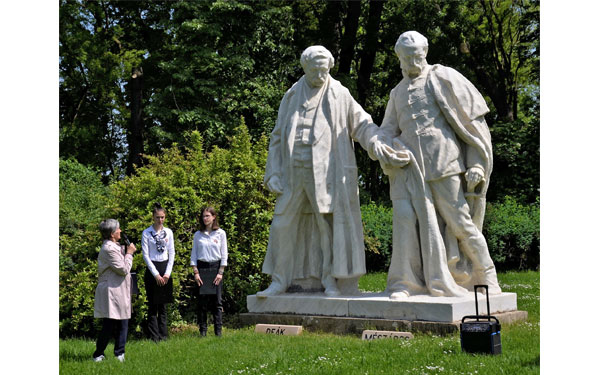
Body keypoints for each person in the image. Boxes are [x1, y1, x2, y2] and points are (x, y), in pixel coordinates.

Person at [371, 31, 501, 298]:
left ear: (425, 53)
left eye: (416, 56)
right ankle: (412, 283)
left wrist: (475, 163)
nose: (412, 62)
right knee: (413, 227)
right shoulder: (397, 93)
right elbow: (387, 129)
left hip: (445, 164)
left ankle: (486, 275)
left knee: (460, 223)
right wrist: (380, 146)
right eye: (406, 57)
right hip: (411, 171)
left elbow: (472, 125)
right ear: (399, 58)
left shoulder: (442, 77)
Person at [258, 45, 380, 297]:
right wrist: (273, 173)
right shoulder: (292, 95)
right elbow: (278, 136)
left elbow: (361, 124)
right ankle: (279, 280)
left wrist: (378, 141)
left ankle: (330, 280)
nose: (321, 75)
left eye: (325, 70)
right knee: (281, 225)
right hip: (294, 173)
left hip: (324, 173)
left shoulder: (339, 93)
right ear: (305, 67)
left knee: (326, 227)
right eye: (316, 70)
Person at [93, 219, 137, 362]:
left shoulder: (114, 246)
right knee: (110, 323)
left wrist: (125, 251)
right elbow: (123, 269)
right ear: (112, 234)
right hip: (112, 291)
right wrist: (129, 253)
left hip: (119, 289)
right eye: (118, 229)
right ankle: (98, 354)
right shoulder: (108, 249)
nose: (120, 231)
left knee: (123, 321)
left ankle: (120, 353)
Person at [191, 207, 227, 336]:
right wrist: (196, 272)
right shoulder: (198, 235)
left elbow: (224, 254)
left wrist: (220, 272)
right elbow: (194, 254)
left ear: (214, 217)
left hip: (216, 268)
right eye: (203, 216)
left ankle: (218, 332)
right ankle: (203, 331)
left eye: (207, 216)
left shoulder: (221, 233)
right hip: (202, 268)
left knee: (217, 302)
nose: (205, 218)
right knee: (202, 302)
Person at [141, 203, 175, 342]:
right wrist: (155, 274)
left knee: (163, 306)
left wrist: (167, 273)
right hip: (152, 270)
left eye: (162, 217)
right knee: (152, 305)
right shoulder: (146, 233)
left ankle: (163, 335)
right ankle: (154, 336)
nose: (160, 220)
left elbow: (171, 252)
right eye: (157, 217)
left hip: (165, 268)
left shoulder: (169, 232)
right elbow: (146, 255)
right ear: (153, 217)